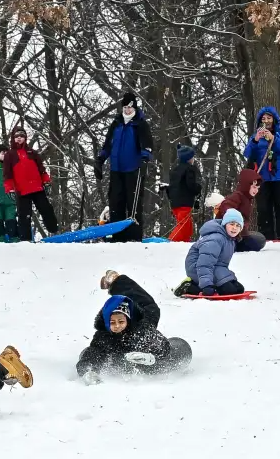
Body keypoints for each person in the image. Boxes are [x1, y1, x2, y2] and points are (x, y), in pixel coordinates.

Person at [76, 270, 192, 384]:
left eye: (121, 322)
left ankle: (117, 281)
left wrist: (149, 357)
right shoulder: (104, 336)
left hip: (145, 316)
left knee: (147, 304)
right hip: (128, 332)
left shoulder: (141, 330)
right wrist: (88, 371)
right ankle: (117, 283)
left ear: (128, 320)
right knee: (88, 353)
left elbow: (163, 347)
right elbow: (94, 352)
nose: (117, 326)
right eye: (112, 323)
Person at [95, 92, 153, 241]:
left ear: (134, 108)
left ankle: (134, 237)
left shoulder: (140, 124)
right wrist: (100, 160)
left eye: (130, 108)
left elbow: (147, 145)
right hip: (116, 169)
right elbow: (107, 145)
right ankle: (117, 236)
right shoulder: (116, 123)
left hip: (133, 169)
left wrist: (145, 160)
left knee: (133, 204)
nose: (127, 110)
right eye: (125, 107)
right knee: (115, 203)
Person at [244, 106, 280, 240]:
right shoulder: (256, 136)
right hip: (263, 178)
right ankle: (266, 238)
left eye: (269, 118)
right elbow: (247, 153)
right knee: (263, 209)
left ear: (275, 120)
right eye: (263, 118)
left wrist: (273, 139)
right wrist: (255, 141)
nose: (266, 121)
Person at [174, 208, 247, 297]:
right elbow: (204, 264)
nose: (234, 228)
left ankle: (203, 284)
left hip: (214, 267)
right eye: (231, 224)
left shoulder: (229, 240)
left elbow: (220, 264)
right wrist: (207, 285)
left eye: (238, 225)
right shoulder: (215, 239)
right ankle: (189, 286)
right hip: (196, 267)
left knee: (239, 289)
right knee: (227, 290)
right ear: (224, 224)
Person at [2, 125, 58, 241]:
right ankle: (25, 240)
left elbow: (41, 168)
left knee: (46, 208)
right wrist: (9, 189)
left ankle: (54, 230)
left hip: (37, 187)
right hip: (22, 190)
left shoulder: (32, 152)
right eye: (17, 136)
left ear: (25, 138)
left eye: (22, 136)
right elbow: (7, 174)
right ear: (13, 138)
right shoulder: (10, 155)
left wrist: (46, 182)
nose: (19, 138)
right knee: (24, 216)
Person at [216, 167, 266, 252]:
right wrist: (233, 217)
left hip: (239, 233)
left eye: (258, 188)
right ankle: (228, 245)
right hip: (228, 232)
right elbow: (226, 205)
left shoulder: (248, 198)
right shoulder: (238, 195)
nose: (256, 190)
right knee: (256, 244)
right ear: (246, 185)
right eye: (254, 187)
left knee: (260, 239)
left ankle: (232, 243)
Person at [167, 144, 202, 242]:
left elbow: (172, 186)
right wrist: (198, 188)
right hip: (184, 202)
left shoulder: (175, 170)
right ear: (189, 159)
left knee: (187, 226)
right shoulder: (189, 169)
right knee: (183, 224)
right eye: (192, 157)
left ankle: (185, 242)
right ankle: (170, 242)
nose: (193, 159)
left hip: (175, 202)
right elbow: (190, 185)